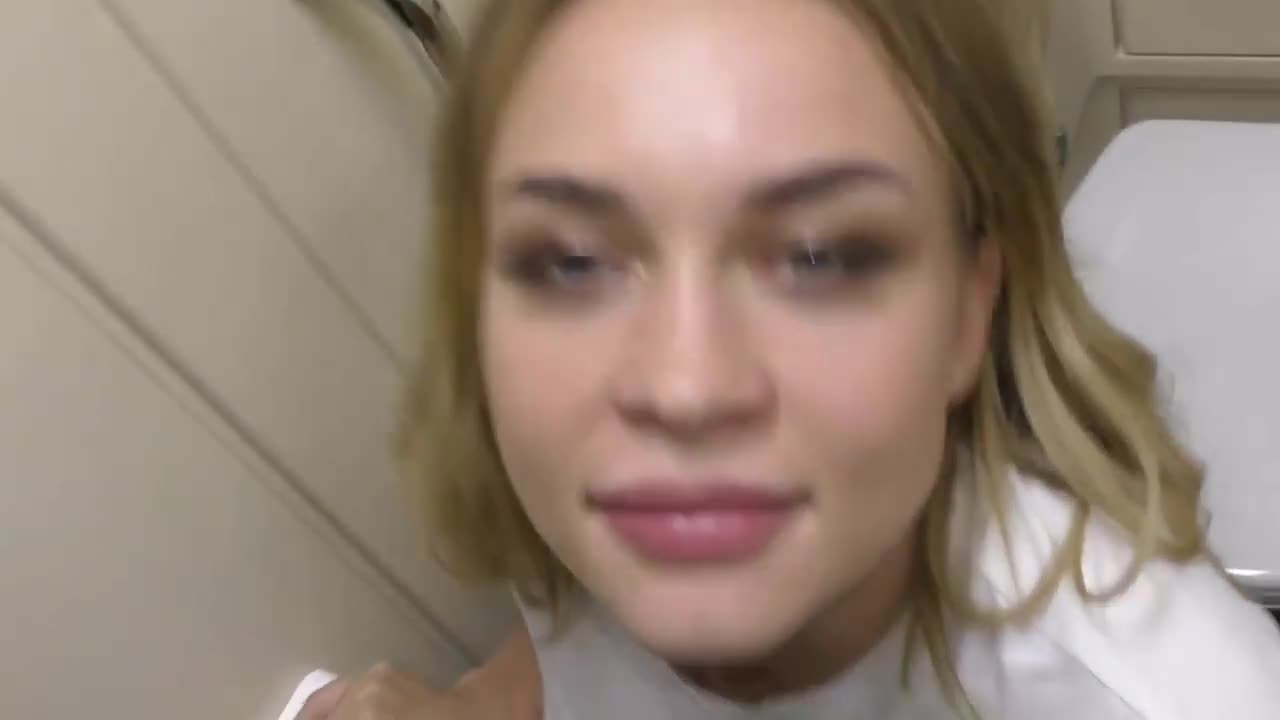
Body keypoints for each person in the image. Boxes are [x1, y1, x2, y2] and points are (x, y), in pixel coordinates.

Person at [302, 0, 1280, 718]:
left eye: (819, 256)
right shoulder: (618, 509)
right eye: (571, 263)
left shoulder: (1177, 696)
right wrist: (482, 702)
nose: (682, 388)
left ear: (967, 309)